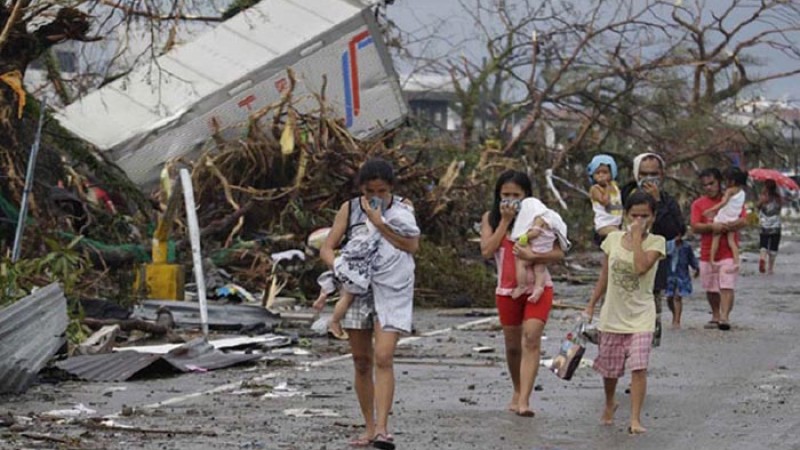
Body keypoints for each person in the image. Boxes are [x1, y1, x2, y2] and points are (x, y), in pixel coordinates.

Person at [319, 158, 419, 449]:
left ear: (391, 189)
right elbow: (328, 247)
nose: (376, 196)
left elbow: (411, 245)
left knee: (384, 356)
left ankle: (383, 429)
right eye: (370, 191)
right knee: (362, 361)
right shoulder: (349, 209)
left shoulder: (402, 208)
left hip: (391, 286)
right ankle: (369, 426)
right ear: (361, 188)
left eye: (382, 191)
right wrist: (342, 267)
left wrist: (379, 224)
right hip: (357, 288)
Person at [479, 170, 565, 418]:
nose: (510, 200)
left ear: (527, 196)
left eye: (516, 195)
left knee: (531, 337)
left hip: (539, 287)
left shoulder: (541, 218)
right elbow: (487, 250)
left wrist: (535, 257)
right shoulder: (491, 219)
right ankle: (517, 389)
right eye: (505, 195)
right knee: (513, 346)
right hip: (507, 290)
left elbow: (559, 252)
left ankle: (525, 400)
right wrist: (505, 222)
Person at [584, 191, 666, 435]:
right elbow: (604, 276)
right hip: (613, 314)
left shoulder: (656, 242)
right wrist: (590, 305)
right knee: (610, 369)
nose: (639, 220)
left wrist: (638, 237)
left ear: (653, 216)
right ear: (626, 215)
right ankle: (610, 402)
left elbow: (641, 267)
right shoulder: (612, 240)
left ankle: (635, 418)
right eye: (634, 215)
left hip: (642, 314)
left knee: (639, 366)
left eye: (645, 216)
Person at [313, 202, 419, 340]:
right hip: (357, 273)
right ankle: (334, 321)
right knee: (347, 297)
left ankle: (385, 329)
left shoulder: (400, 209)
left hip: (378, 273)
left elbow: (410, 243)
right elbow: (329, 261)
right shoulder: (353, 219)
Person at [621, 152, 685, 347]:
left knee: (648, 326)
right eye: (644, 174)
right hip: (622, 272)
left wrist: (658, 203)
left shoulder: (667, 201)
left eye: (654, 174)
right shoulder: (623, 196)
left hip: (653, 273)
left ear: (662, 175)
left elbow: (675, 230)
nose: (649, 179)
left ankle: (641, 366)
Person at [690, 168, 747, 331]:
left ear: (720, 182)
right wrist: (711, 226)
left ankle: (725, 317)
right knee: (711, 286)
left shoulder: (732, 198)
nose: (709, 187)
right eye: (705, 185)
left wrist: (731, 225)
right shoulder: (698, 204)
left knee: (727, 284)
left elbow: (744, 220)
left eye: (712, 183)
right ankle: (715, 314)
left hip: (728, 251)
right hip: (708, 252)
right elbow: (695, 226)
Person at [509, 197, 570, 302]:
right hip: (546, 249)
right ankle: (539, 288)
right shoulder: (552, 219)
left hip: (536, 249)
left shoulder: (539, 218)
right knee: (540, 270)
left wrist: (525, 236)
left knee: (521, 264)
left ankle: (522, 286)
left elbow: (535, 233)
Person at [702, 167, 747, 271]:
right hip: (733, 219)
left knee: (716, 237)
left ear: (732, 181)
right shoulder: (742, 192)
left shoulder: (730, 190)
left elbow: (723, 203)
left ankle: (712, 260)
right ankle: (736, 262)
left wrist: (711, 210)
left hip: (723, 217)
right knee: (732, 241)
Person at [665, 234, 699, 329]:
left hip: (681, 275)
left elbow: (691, 258)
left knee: (678, 297)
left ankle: (677, 320)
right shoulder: (667, 246)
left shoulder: (686, 247)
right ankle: (674, 313)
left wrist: (696, 268)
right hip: (669, 275)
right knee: (669, 297)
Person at [587, 154, 623, 243]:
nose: (601, 175)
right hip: (604, 225)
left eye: (605, 172)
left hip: (617, 223)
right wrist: (607, 186)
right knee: (620, 236)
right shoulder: (595, 189)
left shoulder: (614, 186)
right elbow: (605, 202)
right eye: (598, 173)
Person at [757, 179, 783, 274]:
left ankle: (762, 258)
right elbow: (780, 208)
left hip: (764, 225)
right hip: (776, 226)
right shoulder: (778, 198)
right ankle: (770, 268)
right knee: (773, 247)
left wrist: (762, 201)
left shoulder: (763, 197)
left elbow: (757, 206)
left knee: (763, 245)